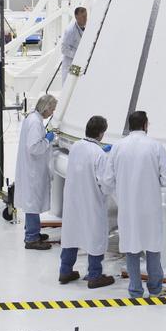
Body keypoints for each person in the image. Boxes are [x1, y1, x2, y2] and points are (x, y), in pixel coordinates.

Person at [108, 110, 166, 298]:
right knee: (152, 248)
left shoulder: (118, 147)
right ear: (145, 125)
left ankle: (135, 289)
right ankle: (155, 288)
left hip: (127, 207)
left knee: (131, 247)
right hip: (150, 207)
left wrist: (122, 189)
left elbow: (107, 178)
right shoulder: (155, 146)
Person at [58, 115, 115, 289]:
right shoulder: (99, 154)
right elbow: (105, 183)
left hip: (73, 201)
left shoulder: (76, 146)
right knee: (94, 236)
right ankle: (95, 275)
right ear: (101, 133)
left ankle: (65, 271)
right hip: (91, 202)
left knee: (72, 235)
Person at [15, 94, 57, 250]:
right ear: (46, 108)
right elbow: (34, 147)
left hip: (31, 168)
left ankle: (33, 233)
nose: (52, 113)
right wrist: (47, 139)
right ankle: (31, 239)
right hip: (33, 169)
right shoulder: (35, 122)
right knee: (32, 204)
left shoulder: (33, 118)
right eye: (52, 109)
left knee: (31, 202)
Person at [59, 7, 87, 82]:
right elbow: (63, 49)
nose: (85, 19)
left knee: (77, 84)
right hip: (70, 65)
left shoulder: (84, 28)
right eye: (83, 16)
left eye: (86, 16)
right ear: (77, 17)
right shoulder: (70, 31)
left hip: (77, 64)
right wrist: (78, 54)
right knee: (71, 84)